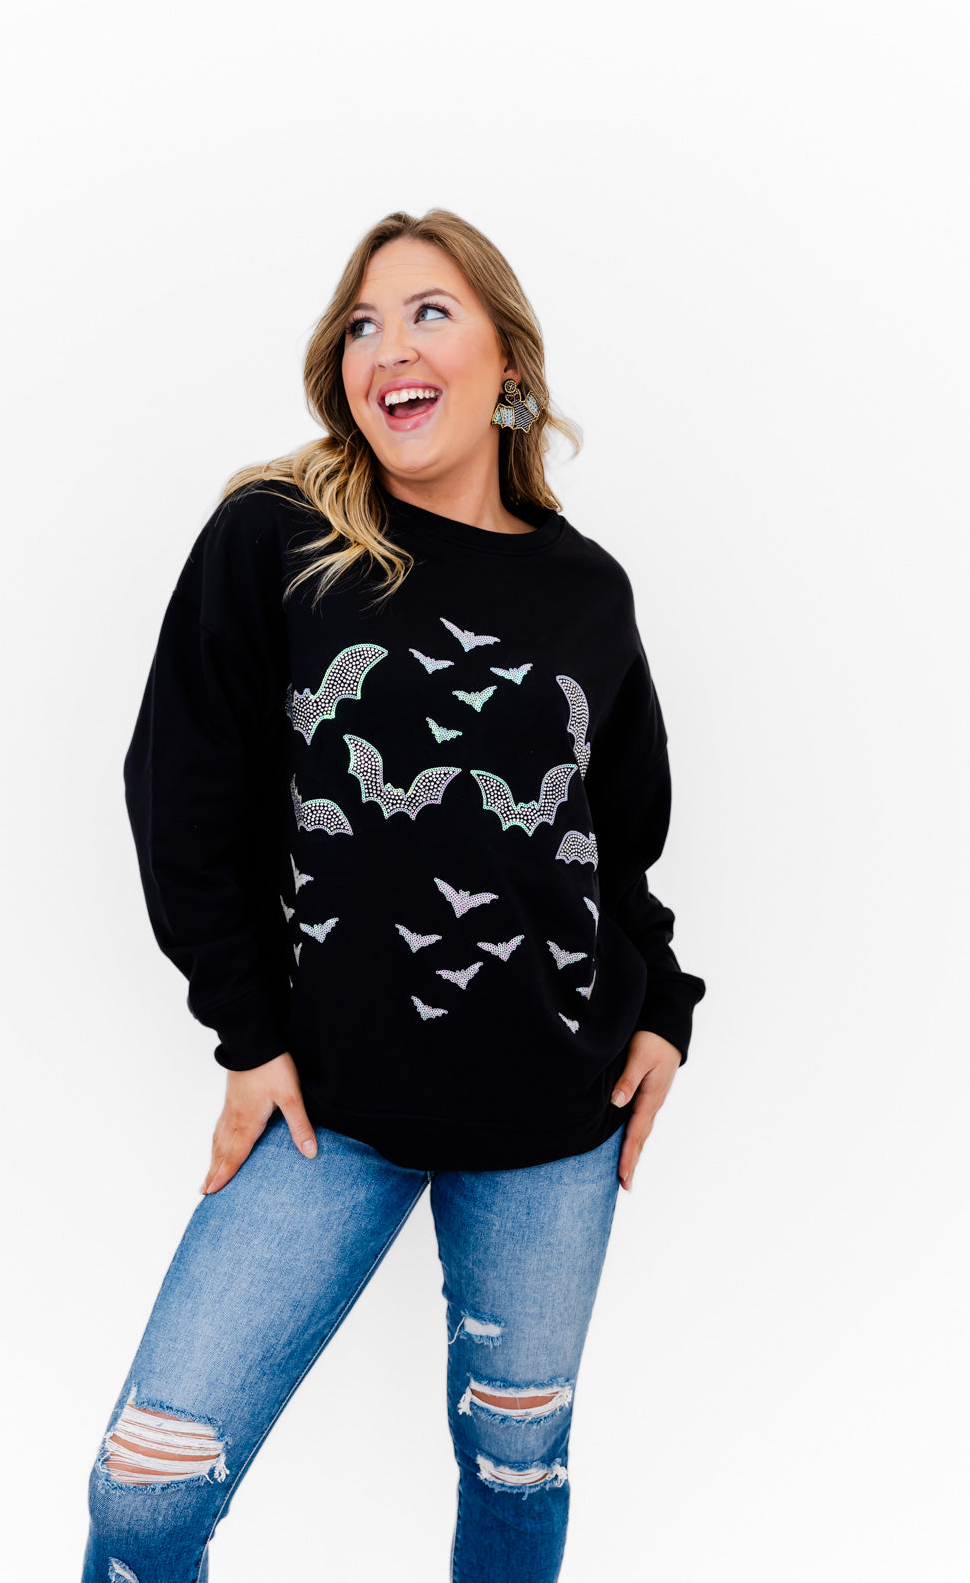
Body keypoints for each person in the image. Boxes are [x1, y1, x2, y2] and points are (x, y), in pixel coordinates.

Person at [81, 207, 706, 1583]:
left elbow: (617, 839)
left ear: (507, 363)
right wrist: (248, 1033)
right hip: (331, 1110)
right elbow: (177, 792)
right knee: (144, 1497)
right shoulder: (282, 538)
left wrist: (665, 1007)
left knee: (516, 1470)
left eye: (430, 312)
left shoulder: (586, 591)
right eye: (362, 325)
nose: (389, 348)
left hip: (553, 1126)